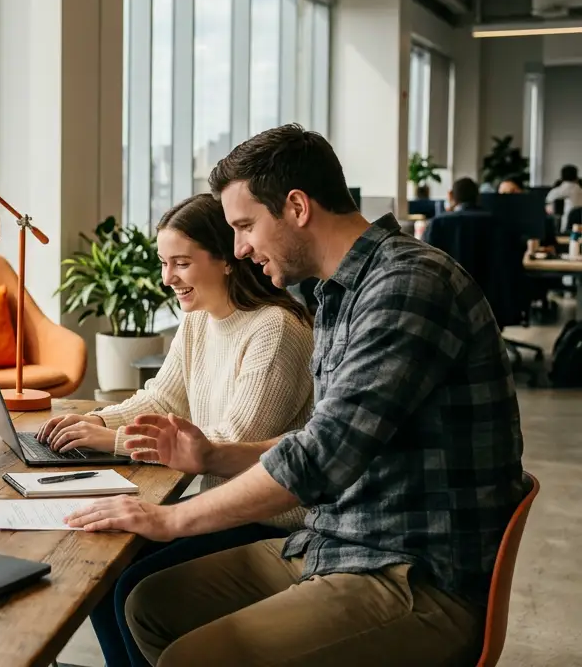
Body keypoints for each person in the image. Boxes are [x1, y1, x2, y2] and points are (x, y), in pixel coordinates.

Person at [66, 125, 526, 667]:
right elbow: (318, 437)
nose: (238, 248)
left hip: (412, 574)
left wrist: (168, 519)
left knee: (197, 657)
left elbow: (320, 459)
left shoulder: (407, 285)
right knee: (146, 604)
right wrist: (213, 456)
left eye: (244, 226)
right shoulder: (339, 294)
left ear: (297, 207)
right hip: (336, 543)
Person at [37, 193, 314, 667]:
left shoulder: (276, 329)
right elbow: (163, 398)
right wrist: (98, 420)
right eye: (165, 264)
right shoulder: (200, 320)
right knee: (104, 572)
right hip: (217, 505)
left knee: (127, 586)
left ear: (226, 260)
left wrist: (115, 441)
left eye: (181, 263)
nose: (168, 279)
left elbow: (229, 440)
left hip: (265, 518)